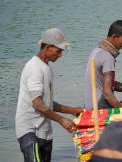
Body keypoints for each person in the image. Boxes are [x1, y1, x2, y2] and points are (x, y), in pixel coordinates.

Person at [15, 28, 83, 162]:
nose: (60, 55)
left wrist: (73, 110)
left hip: (44, 131)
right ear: (48, 47)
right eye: (59, 51)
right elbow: (38, 104)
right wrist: (62, 120)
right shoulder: (34, 68)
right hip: (30, 130)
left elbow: (47, 103)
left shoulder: (46, 67)